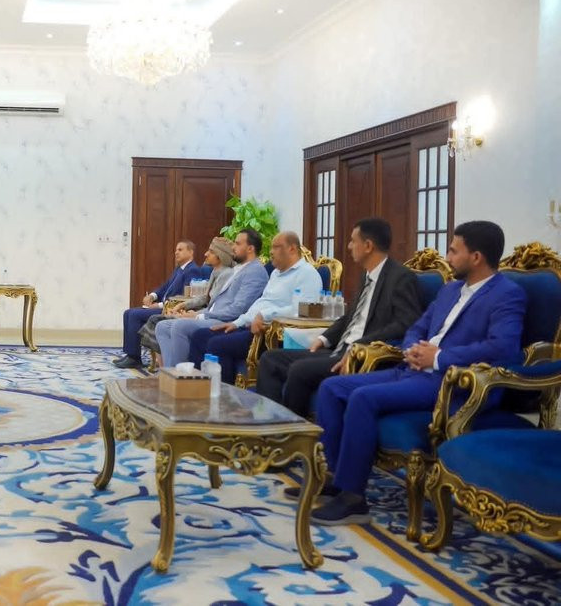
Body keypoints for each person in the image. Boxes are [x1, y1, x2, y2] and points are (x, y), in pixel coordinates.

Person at [304, 221, 525, 526]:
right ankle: (336, 476)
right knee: (332, 388)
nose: (447, 257)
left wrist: (440, 357)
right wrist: (412, 349)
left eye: (454, 251)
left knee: (363, 398)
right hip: (412, 368)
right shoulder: (450, 290)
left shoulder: (507, 294)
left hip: (452, 382)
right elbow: (416, 327)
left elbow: (503, 347)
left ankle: (353, 499)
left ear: (476, 257)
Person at [255, 218, 421, 416]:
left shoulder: (400, 278)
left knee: (299, 369)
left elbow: (405, 323)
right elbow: (350, 316)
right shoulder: (366, 276)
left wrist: (359, 345)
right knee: (270, 359)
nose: (349, 246)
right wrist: (324, 337)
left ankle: (292, 428)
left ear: (368, 246)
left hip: (364, 356)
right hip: (339, 349)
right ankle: (269, 421)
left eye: (353, 241)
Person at [188, 232, 325, 385]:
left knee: (218, 344)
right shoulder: (276, 274)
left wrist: (264, 315)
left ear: (292, 249)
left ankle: (223, 395)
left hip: (270, 333)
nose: (271, 252)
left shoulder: (307, 274)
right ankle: (194, 388)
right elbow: (261, 303)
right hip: (250, 324)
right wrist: (236, 323)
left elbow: (301, 311)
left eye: (276, 247)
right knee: (200, 335)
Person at [152, 230, 269, 368]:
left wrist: (199, 316)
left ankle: (181, 375)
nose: (233, 247)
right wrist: (195, 314)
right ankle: (170, 372)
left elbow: (238, 309)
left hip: (226, 320)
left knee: (179, 326)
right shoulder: (238, 269)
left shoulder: (255, 271)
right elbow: (216, 303)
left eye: (237, 244)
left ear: (250, 249)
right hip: (213, 315)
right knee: (162, 327)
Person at [138, 237, 236, 355]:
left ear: (220, 255)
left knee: (159, 322)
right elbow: (205, 297)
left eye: (210, 251)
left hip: (211, 317)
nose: (205, 254)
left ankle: (169, 364)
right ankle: (164, 364)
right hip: (202, 312)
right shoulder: (215, 271)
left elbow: (214, 306)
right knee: (156, 321)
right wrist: (183, 305)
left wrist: (194, 314)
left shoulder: (225, 274)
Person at [113, 240, 201, 369]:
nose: (176, 252)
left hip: (172, 309)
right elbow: (164, 287)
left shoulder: (193, 270)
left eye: (180, 250)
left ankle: (134, 358)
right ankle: (130, 354)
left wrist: (159, 305)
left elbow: (184, 298)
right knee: (128, 313)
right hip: (163, 306)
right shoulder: (179, 269)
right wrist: (152, 296)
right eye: (176, 250)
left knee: (134, 315)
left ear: (191, 252)